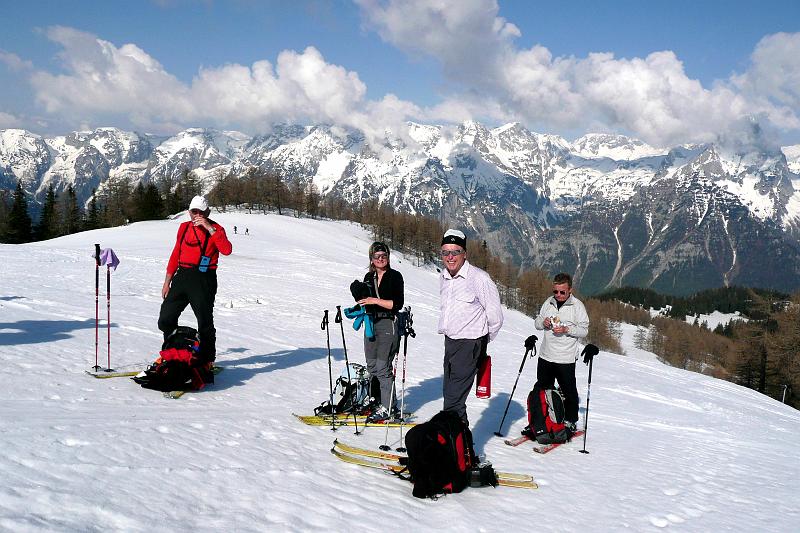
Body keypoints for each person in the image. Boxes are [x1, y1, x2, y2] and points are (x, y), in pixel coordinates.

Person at [158, 195, 232, 378]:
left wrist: (209, 228)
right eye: (193, 211)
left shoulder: (216, 229)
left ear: (207, 212)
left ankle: (207, 360)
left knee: (204, 321)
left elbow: (227, 250)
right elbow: (176, 254)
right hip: (182, 276)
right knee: (166, 317)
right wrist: (167, 281)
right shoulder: (183, 228)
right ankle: (172, 352)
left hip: (203, 278)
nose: (195, 215)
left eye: (199, 212)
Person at [437, 229, 503, 426]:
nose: (450, 257)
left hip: (470, 344)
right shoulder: (444, 276)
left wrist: (481, 343)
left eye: (455, 252)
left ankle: (457, 450)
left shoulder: (479, 278)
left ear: (464, 253)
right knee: (451, 397)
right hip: (450, 342)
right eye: (445, 252)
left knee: (453, 401)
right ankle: (461, 446)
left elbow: (496, 317)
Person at [533, 272, 589, 432]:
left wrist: (567, 329)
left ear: (570, 290)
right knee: (543, 388)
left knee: (568, 391)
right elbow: (537, 323)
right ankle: (541, 416)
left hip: (565, 358)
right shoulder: (548, 303)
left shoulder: (577, 306)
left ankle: (571, 420)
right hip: (546, 355)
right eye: (555, 291)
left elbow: (584, 330)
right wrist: (542, 322)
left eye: (562, 292)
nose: (558, 295)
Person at [355, 242, 405, 423]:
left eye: (384, 255)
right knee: (371, 366)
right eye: (377, 256)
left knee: (383, 367)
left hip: (388, 324)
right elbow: (365, 300)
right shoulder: (369, 277)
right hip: (371, 323)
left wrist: (374, 300)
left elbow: (396, 304)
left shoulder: (395, 276)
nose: (381, 259)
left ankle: (388, 407)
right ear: (371, 259)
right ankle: (378, 400)